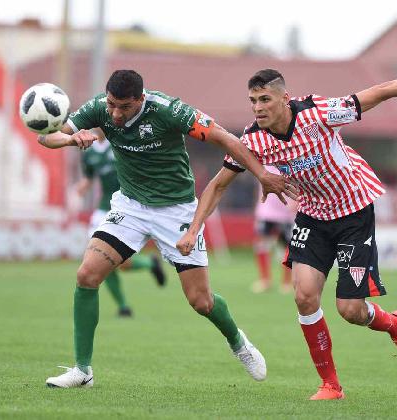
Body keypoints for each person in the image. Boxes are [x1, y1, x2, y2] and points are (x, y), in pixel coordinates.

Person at [177, 67, 397, 400]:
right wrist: (193, 229)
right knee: (304, 297)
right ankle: (331, 385)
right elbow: (218, 186)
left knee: (351, 311)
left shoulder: (318, 113)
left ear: (284, 99)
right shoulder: (252, 141)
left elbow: (384, 89)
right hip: (312, 217)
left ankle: (396, 325)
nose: (258, 107)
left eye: (265, 99)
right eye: (252, 101)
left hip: (354, 211)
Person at [36, 69, 297, 388]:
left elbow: (226, 139)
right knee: (86, 276)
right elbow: (47, 135)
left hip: (176, 211)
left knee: (201, 301)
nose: (116, 114)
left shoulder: (169, 111)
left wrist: (261, 175)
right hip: (130, 207)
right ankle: (82, 370)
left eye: (125, 107)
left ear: (141, 100)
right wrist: (70, 138)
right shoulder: (98, 108)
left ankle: (238, 342)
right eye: (112, 105)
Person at [75, 140, 167, 318]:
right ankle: (123, 306)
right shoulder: (90, 153)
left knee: (121, 264)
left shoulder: (122, 143)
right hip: (103, 210)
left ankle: (150, 263)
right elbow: (89, 178)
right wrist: (81, 188)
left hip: (126, 208)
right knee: (98, 260)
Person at [251, 165, 296, 294]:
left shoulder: (292, 159)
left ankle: (286, 283)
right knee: (261, 243)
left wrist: (297, 202)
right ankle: (265, 280)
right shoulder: (263, 160)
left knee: (290, 246)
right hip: (266, 210)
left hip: (287, 211)